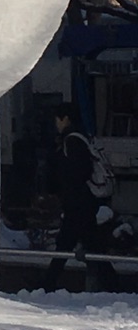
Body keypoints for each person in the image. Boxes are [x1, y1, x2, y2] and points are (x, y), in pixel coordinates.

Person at [53, 104, 103, 262]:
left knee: (67, 245)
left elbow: (79, 171)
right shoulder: (81, 137)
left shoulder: (72, 140)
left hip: (77, 203)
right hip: (82, 202)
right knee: (90, 245)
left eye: (57, 120)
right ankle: (48, 283)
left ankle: (47, 284)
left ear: (65, 119)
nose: (56, 124)